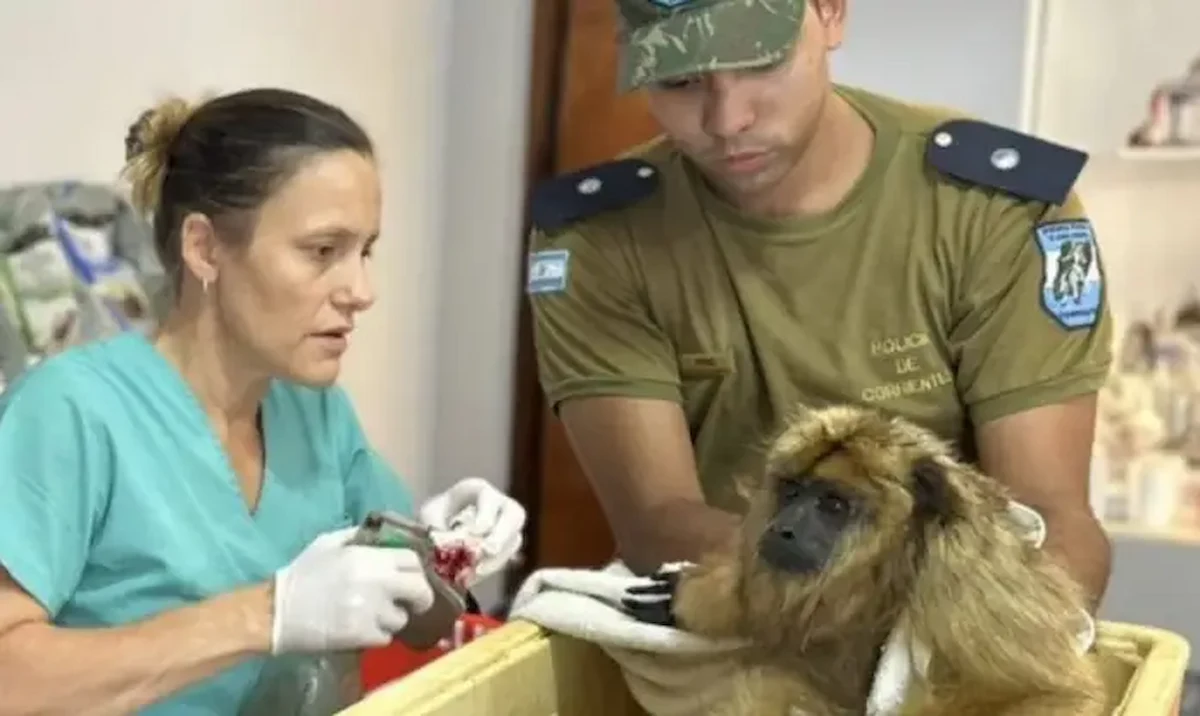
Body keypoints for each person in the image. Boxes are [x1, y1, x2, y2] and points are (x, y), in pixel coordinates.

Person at [526, 0, 1113, 610]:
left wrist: (972, 643)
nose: (728, 119)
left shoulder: (996, 209)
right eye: (679, 80)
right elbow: (656, 522)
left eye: (760, 61)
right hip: (732, 632)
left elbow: (1049, 521)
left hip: (956, 628)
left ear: (831, 13)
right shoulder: (596, 236)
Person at [0, 88, 526, 714]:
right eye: (322, 251)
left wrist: (445, 555)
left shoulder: (319, 416)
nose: (361, 290)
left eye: (365, 251)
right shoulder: (72, 412)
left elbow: (407, 628)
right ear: (205, 248)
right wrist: (270, 614)